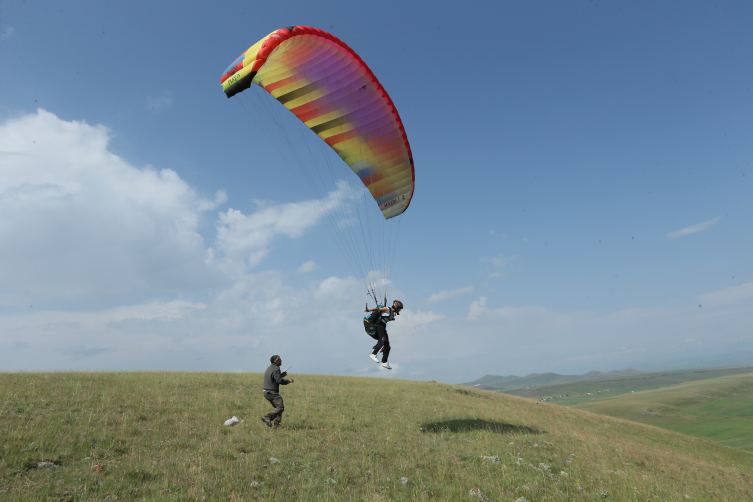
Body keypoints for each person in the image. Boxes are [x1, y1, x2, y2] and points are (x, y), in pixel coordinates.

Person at [363, 300, 403, 370]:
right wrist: (368, 310)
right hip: (378, 325)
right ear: (396, 306)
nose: (400, 310)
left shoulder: (392, 313)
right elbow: (378, 309)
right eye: (399, 308)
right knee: (383, 339)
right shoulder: (388, 309)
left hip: (382, 326)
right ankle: (373, 354)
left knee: (387, 345)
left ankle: (385, 362)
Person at [262, 355, 294, 428]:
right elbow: (279, 381)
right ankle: (268, 417)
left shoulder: (269, 368)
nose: (281, 360)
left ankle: (277, 426)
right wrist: (288, 381)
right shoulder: (276, 368)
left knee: (278, 409)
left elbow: (274, 378)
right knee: (280, 407)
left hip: (266, 392)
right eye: (279, 359)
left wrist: (280, 375)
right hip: (272, 392)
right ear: (276, 361)